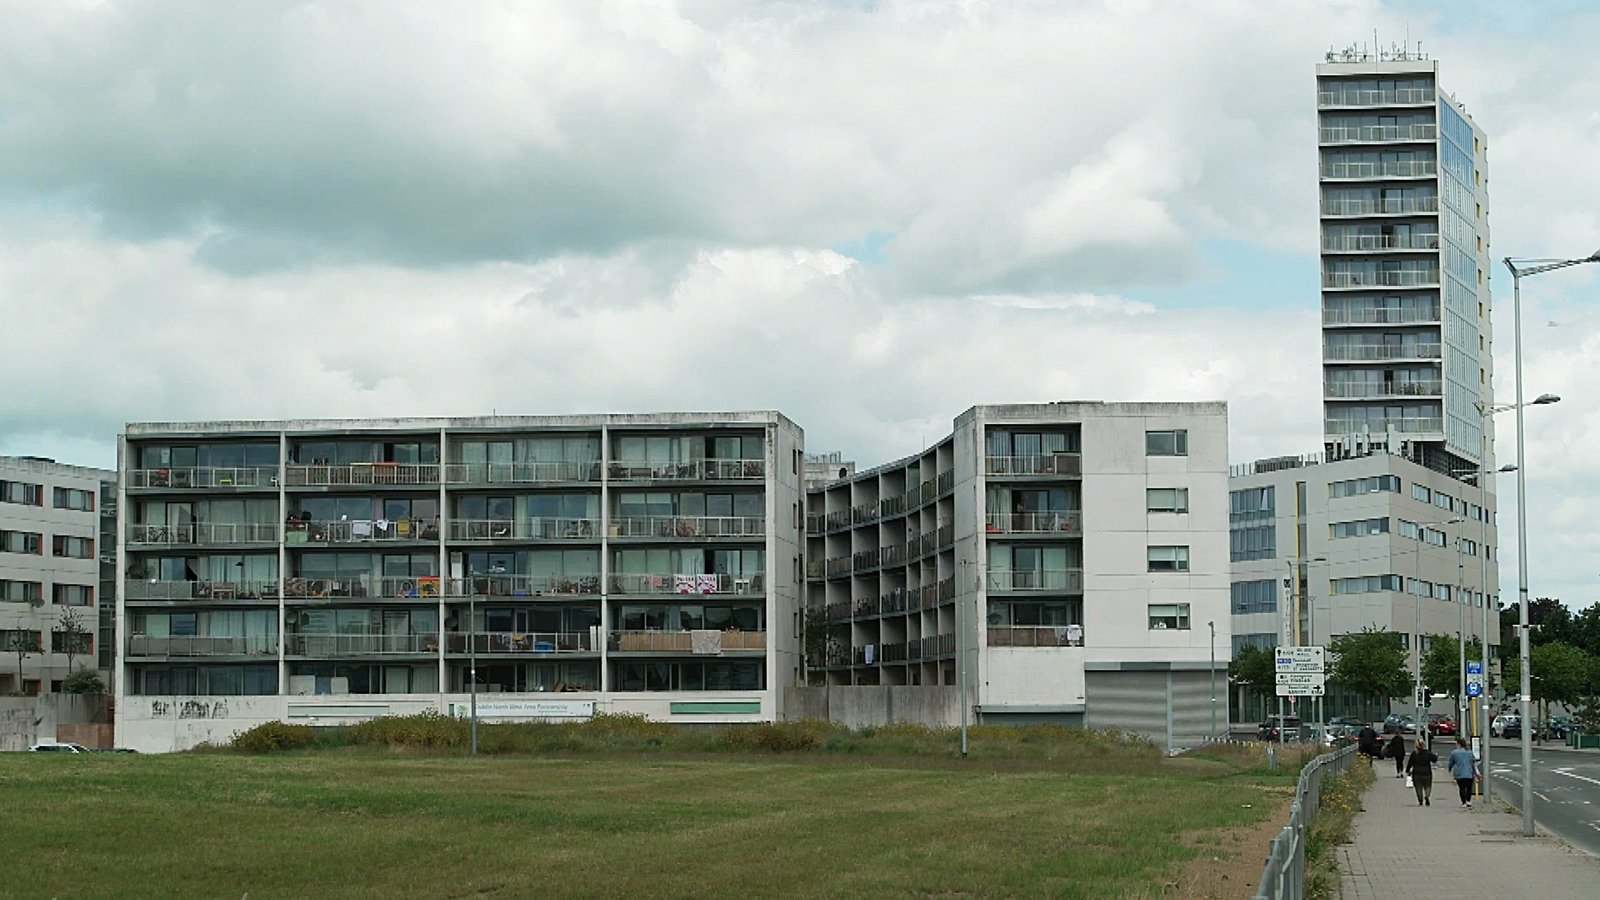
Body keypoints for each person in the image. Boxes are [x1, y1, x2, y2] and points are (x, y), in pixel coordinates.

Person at [1406, 738, 1438, 806]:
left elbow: (1410, 763)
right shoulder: (1427, 753)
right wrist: (1436, 756)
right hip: (1427, 772)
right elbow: (1434, 760)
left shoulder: (1414, 754)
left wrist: (1407, 770)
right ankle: (1427, 796)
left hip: (1417, 773)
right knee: (1428, 786)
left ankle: (1420, 800)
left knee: (1418, 787)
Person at [1447, 737, 1477, 808]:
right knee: (1469, 788)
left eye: (1456, 744)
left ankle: (1464, 802)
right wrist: (1475, 772)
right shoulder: (1469, 752)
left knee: (1462, 788)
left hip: (1459, 773)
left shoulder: (1454, 753)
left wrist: (1449, 769)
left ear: (1459, 744)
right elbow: (1473, 762)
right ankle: (1468, 801)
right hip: (1469, 773)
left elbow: (1451, 762)